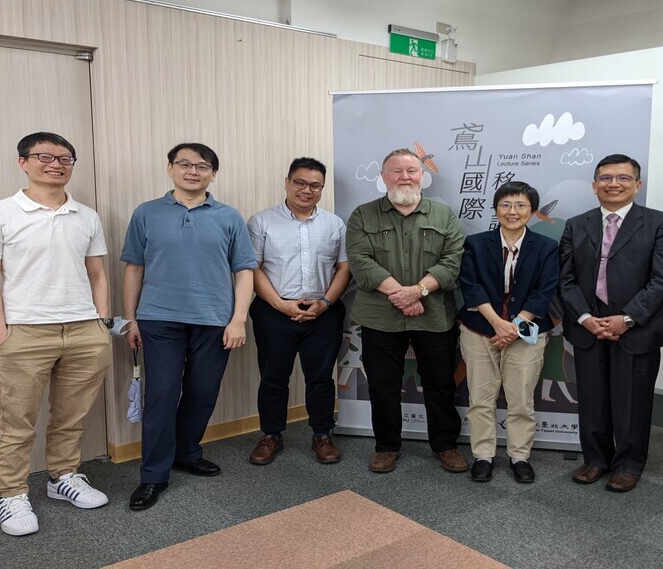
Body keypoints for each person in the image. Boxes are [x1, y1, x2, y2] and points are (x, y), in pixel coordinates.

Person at [0, 132, 112, 536]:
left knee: (71, 416)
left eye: (66, 158)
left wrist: (102, 322)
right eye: (45, 156)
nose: (56, 163)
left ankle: (62, 477)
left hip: (84, 330)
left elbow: (98, 273)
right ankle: (11, 494)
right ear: (23, 162)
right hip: (25, 333)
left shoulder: (86, 215)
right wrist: (1, 331)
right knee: (18, 422)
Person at [122, 143, 256, 511]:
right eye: (185, 164)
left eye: (202, 166)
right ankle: (152, 476)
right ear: (170, 169)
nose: (193, 171)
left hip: (214, 321)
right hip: (159, 319)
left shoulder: (229, 216)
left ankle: (186, 451)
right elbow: (133, 267)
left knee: (202, 394)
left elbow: (244, 270)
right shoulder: (147, 213)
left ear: (213, 173)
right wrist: (130, 318)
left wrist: (238, 319)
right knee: (162, 396)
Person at [559, 154, 663, 492]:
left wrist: (627, 318)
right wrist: (584, 318)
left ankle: (629, 464)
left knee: (633, 402)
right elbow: (565, 280)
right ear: (594, 185)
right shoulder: (576, 224)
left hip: (636, 328)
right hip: (589, 327)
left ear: (637, 185)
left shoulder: (661, 224)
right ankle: (596, 459)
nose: (614, 184)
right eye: (606, 177)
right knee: (593, 398)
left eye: (623, 178)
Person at [346, 148, 468, 474]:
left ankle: (445, 445)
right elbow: (360, 262)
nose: (405, 177)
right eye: (397, 171)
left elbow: (452, 260)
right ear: (384, 176)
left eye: (412, 171)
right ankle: (387, 446)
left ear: (422, 176)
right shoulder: (363, 215)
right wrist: (400, 294)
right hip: (380, 316)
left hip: (434, 314)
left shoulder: (443, 215)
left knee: (440, 383)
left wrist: (418, 291)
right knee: (382, 385)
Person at [247, 157, 350, 465]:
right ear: (288, 182)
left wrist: (326, 303)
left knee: (320, 378)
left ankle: (322, 434)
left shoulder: (334, 224)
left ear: (322, 187)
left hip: (323, 311)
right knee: (273, 376)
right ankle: (271, 435)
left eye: (315, 185)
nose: (307, 190)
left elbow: (344, 268)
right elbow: (252, 268)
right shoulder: (261, 221)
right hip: (274, 311)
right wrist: (279, 304)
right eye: (300, 183)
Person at [457, 181, 559, 484]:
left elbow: (544, 292)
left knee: (521, 400)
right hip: (479, 330)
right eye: (505, 205)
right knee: (480, 398)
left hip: (526, 333)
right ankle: (483, 455)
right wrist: (498, 324)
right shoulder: (475, 243)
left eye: (520, 205)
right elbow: (470, 286)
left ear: (532, 211)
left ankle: (519, 456)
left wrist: (513, 328)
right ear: (495, 208)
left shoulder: (546, 247)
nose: (512, 211)